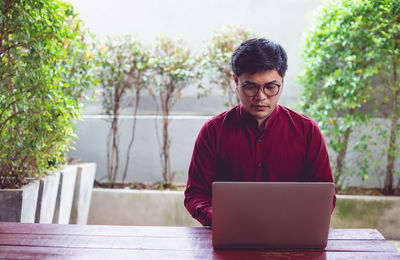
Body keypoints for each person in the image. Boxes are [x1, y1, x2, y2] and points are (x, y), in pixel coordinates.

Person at [184, 38, 336, 227]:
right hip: (229, 237)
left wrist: (294, 221)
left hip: (291, 238)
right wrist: (220, 218)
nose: (261, 97)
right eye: (250, 87)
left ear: (282, 81)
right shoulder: (213, 132)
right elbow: (195, 194)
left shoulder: (307, 132)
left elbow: (324, 197)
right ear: (236, 82)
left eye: (271, 87)